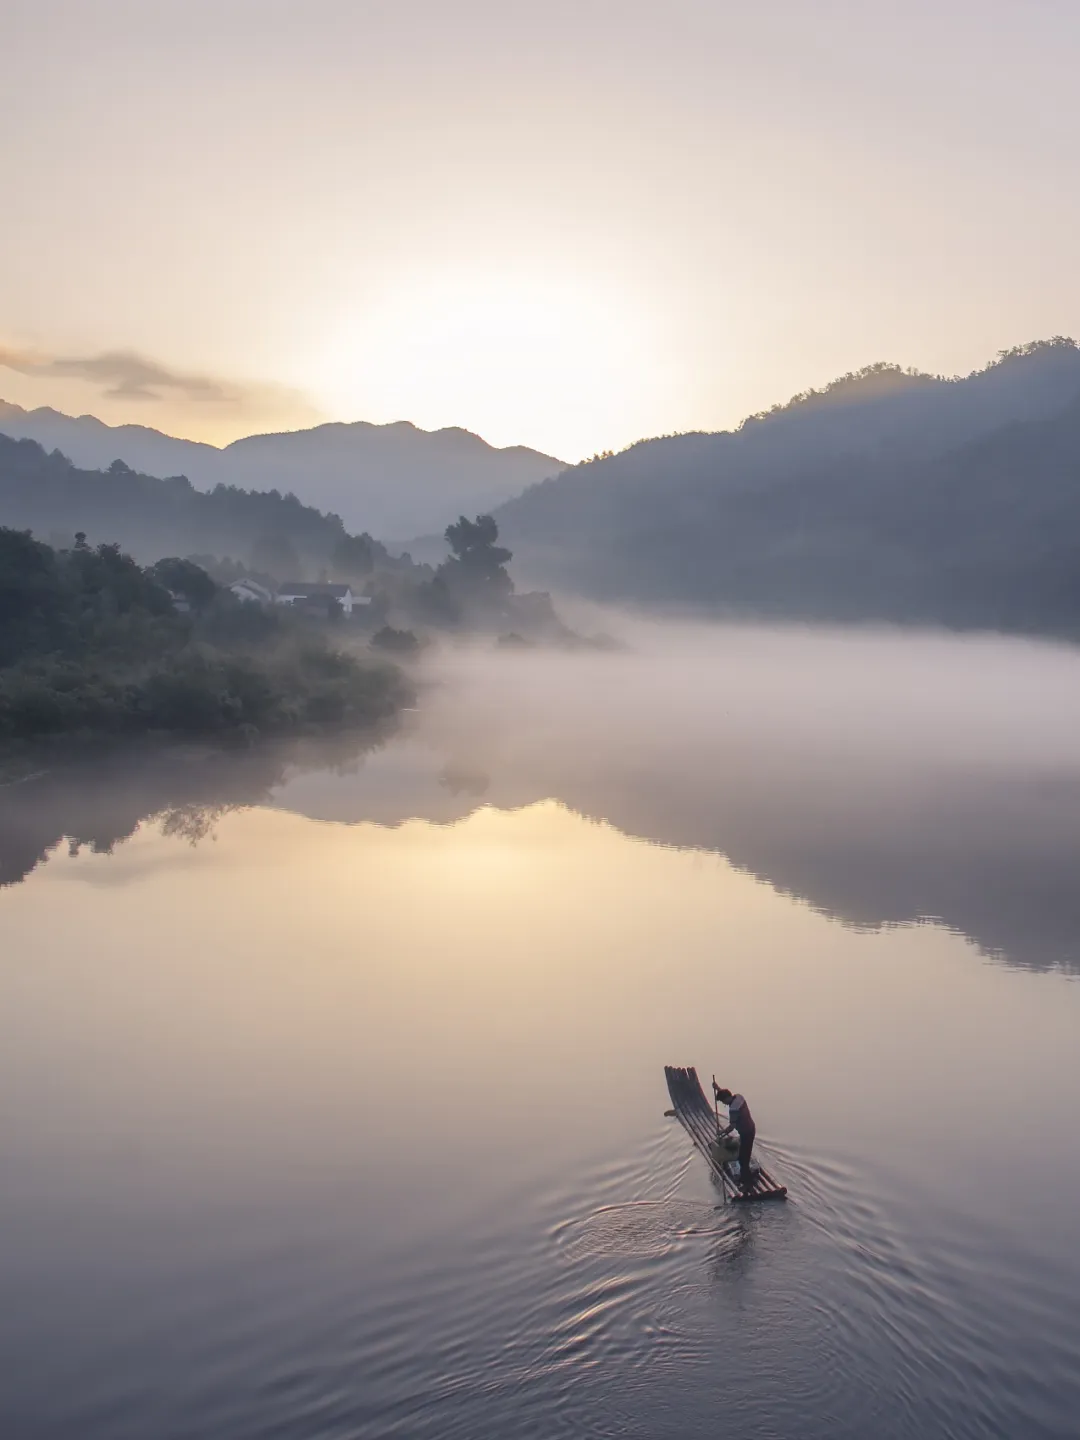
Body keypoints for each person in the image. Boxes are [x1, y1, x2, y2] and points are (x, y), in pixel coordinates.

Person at [713, 1084, 756, 1190]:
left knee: (743, 1159)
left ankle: (747, 1184)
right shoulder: (738, 1097)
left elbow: (732, 1127)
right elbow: (726, 1094)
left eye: (723, 1102)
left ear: (726, 1098)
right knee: (744, 1154)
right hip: (751, 1129)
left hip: (746, 1133)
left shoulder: (733, 1109)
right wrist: (717, 1088)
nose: (724, 1104)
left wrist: (721, 1133)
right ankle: (745, 1178)